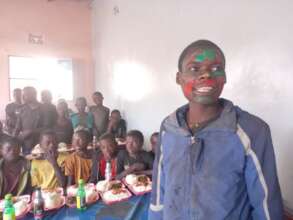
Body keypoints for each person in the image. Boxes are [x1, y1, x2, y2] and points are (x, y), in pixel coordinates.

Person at [149, 40, 283, 220]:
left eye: (215, 68)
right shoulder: (169, 127)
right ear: (179, 78)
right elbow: (159, 189)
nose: (206, 74)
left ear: (225, 77)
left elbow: (266, 205)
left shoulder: (252, 130)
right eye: (194, 69)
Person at [13, 87, 44, 155]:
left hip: (41, 146)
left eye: (26, 94)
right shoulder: (22, 109)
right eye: (23, 95)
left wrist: (31, 131)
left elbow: (49, 128)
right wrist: (12, 141)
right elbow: (17, 128)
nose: (23, 97)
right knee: (27, 165)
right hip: (26, 147)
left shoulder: (43, 109)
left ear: (34, 94)